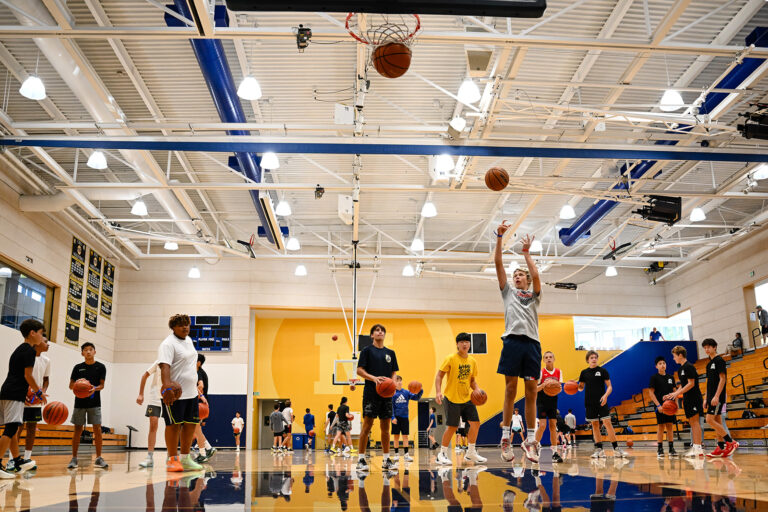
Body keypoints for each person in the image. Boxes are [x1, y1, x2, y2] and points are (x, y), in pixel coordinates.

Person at [493, 222, 542, 464]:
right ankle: (505, 438)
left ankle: (530, 440)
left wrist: (526, 254)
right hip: (512, 342)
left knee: (531, 392)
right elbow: (498, 264)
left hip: (532, 344)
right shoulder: (508, 293)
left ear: (527, 280)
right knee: (510, 390)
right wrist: (499, 238)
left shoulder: (534, 295)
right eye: (515, 276)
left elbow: (536, 275)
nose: (517, 277)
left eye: (520, 275)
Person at [157, 314, 203, 472]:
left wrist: (196, 384)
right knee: (173, 425)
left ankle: (185, 458)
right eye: (181, 325)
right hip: (175, 394)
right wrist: (167, 387)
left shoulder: (189, 340)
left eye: (187, 324)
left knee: (190, 425)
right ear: (173, 327)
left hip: (191, 393)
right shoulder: (168, 344)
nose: (185, 327)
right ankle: (172, 460)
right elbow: (164, 366)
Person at [435, 332, 487, 466]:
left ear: (470, 344)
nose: (465, 344)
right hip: (452, 398)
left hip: (467, 398)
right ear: (457, 344)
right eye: (462, 342)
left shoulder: (472, 361)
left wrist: (477, 389)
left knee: (475, 423)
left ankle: (471, 452)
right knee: (452, 427)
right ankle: (442, 454)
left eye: (467, 342)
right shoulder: (450, 358)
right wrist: (438, 392)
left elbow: (472, 380)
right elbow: (439, 376)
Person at [0, 319, 44, 477]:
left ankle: (17, 460)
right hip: (14, 392)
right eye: (41, 333)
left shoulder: (19, 349)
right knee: (11, 428)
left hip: (7, 391)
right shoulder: (30, 351)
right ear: (32, 333)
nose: (42, 337)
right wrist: (39, 392)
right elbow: (28, 376)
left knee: (11, 428)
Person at [355, 324, 399, 472]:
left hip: (386, 395)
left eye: (382, 331)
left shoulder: (390, 353)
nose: (380, 332)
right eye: (377, 330)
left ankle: (386, 460)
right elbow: (359, 370)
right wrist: (373, 378)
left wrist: (393, 382)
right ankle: (361, 459)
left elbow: (394, 372)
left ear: (384, 335)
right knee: (367, 426)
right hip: (371, 393)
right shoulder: (367, 351)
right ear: (372, 335)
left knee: (386, 428)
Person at [578, 350, 628, 459]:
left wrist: (605, 396)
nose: (594, 359)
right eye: (591, 357)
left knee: (607, 423)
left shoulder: (602, 371)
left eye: (595, 357)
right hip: (589, 403)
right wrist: (575, 387)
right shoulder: (584, 373)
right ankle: (599, 450)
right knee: (595, 425)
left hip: (602, 401)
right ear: (587, 360)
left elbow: (610, 387)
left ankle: (616, 448)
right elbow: (580, 388)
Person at [10, 336, 50, 472]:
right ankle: (12, 459)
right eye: (45, 341)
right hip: (22, 396)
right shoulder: (27, 356)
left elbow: (46, 380)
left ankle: (27, 458)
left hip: (36, 399)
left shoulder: (47, 361)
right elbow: (22, 375)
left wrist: (42, 392)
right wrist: (24, 393)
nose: (48, 344)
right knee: (17, 428)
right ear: (38, 343)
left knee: (32, 428)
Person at [68, 342, 108, 470]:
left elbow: (102, 385)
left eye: (91, 349)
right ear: (82, 353)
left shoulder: (101, 367)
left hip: (94, 403)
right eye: (85, 350)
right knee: (77, 430)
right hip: (79, 403)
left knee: (97, 430)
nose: (88, 352)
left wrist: (93, 388)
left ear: (94, 352)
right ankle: (74, 458)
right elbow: (70, 385)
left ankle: (99, 458)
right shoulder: (77, 368)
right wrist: (78, 385)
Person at [663, 345, 703, 458]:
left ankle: (698, 448)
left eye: (674, 356)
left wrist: (677, 394)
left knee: (695, 422)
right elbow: (683, 385)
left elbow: (691, 383)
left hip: (694, 397)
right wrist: (673, 394)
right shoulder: (681, 369)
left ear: (680, 355)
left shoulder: (689, 367)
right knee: (692, 422)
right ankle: (695, 447)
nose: (673, 358)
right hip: (687, 398)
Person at [702, 338, 738, 458]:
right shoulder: (708, 364)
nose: (706, 349)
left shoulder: (719, 360)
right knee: (717, 421)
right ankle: (721, 447)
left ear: (714, 347)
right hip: (710, 397)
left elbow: (723, 379)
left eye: (708, 347)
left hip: (717, 397)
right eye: (705, 347)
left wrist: (716, 396)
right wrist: (705, 398)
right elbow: (708, 383)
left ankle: (730, 442)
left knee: (709, 420)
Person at [535, 351, 564, 463]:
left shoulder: (558, 372)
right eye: (546, 357)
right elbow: (535, 389)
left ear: (554, 359)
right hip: (542, 401)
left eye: (550, 357)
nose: (548, 359)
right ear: (543, 360)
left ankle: (555, 453)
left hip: (553, 401)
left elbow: (559, 388)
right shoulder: (541, 372)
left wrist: (555, 387)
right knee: (542, 425)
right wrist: (544, 385)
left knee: (553, 426)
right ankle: (534, 448)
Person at [647, 356, 678, 458]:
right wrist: (658, 405)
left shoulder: (671, 377)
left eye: (664, 363)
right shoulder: (654, 378)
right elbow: (651, 393)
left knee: (670, 426)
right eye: (660, 363)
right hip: (660, 406)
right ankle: (660, 449)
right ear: (656, 366)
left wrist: (676, 405)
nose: (662, 365)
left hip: (670, 406)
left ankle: (671, 448)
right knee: (661, 426)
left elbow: (675, 392)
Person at [136, 360, 163, 468]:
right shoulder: (159, 362)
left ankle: (171, 457)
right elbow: (144, 376)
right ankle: (149, 457)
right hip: (155, 398)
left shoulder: (176, 362)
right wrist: (140, 394)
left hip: (169, 398)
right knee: (153, 425)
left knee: (171, 427)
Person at [391, 375, 423, 462]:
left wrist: (420, 390)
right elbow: (391, 407)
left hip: (405, 417)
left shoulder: (406, 392)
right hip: (396, 418)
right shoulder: (392, 393)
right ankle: (396, 454)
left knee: (405, 436)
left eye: (400, 380)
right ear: (394, 383)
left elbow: (416, 398)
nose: (399, 382)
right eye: (397, 381)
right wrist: (392, 417)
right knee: (396, 437)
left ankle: (406, 455)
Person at [193, 354, 215, 462]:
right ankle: (208, 448)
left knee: (196, 429)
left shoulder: (198, 372)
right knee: (196, 429)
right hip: (203, 404)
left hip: (200, 404)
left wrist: (197, 394)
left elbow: (201, 386)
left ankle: (203, 453)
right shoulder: (201, 372)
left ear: (198, 363)